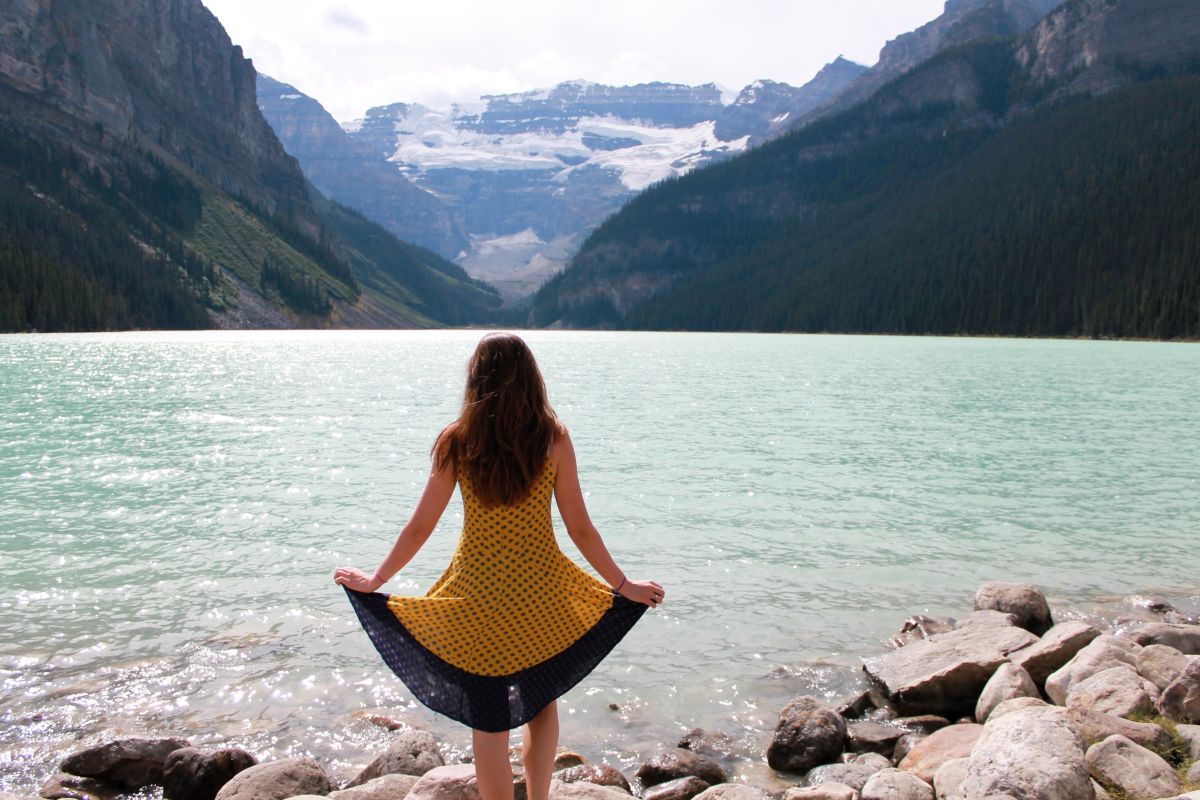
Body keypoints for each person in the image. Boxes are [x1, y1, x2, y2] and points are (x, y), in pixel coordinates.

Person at [334, 332, 664, 800]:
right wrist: (623, 584)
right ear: (532, 380)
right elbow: (580, 528)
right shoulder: (553, 439)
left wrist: (377, 580)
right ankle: (539, 797)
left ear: (476, 379)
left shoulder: (457, 441)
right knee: (541, 699)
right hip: (543, 594)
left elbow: (420, 528)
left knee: (489, 722)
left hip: (476, 597)